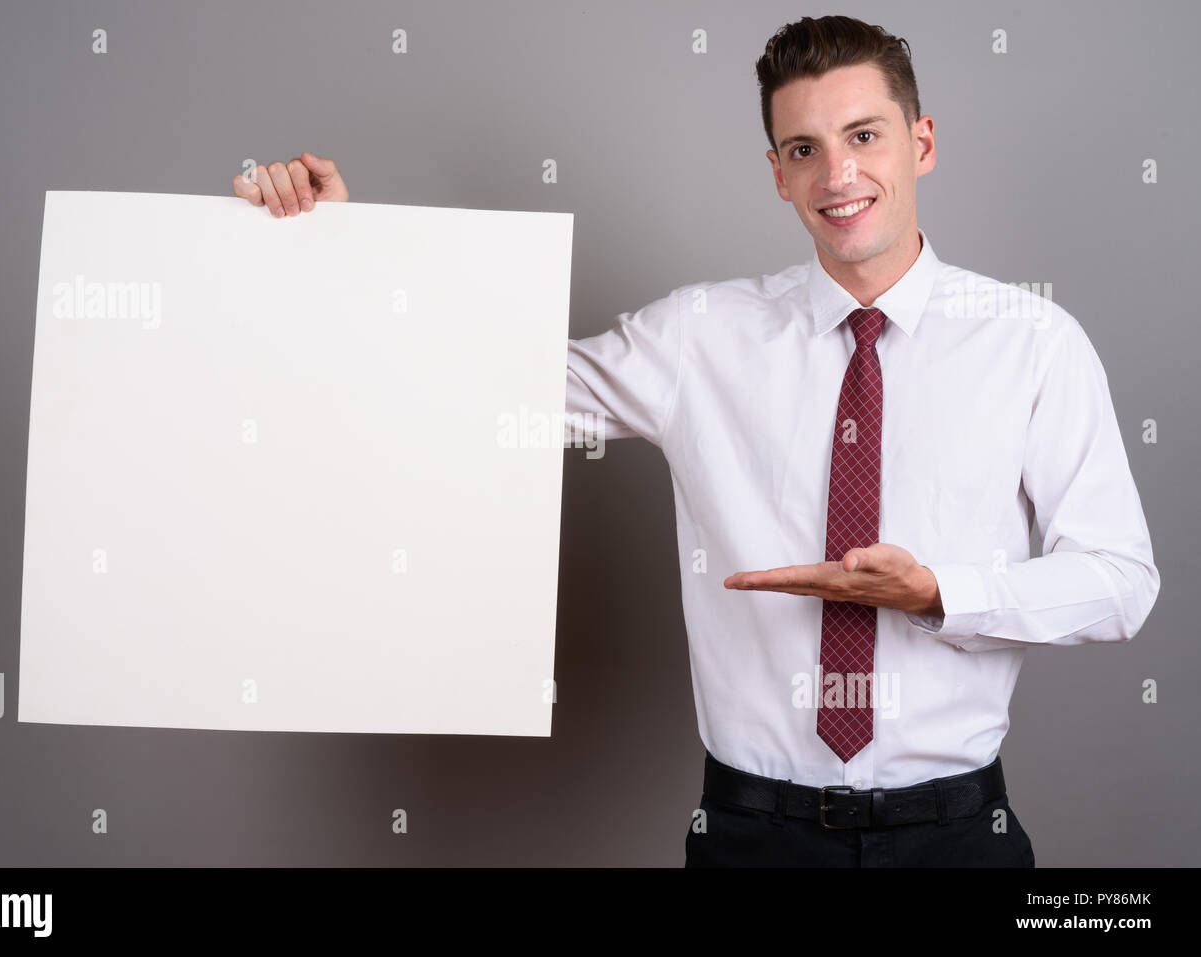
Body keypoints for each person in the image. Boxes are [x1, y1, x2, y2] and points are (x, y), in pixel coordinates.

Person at [230, 14, 1160, 867]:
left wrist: (937, 592)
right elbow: (485, 396)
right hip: (754, 834)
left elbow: (1121, 580)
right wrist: (343, 253)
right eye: (805, 148)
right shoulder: (698, 337)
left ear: (921, 142)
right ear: (777, 171)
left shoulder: (1033, 343)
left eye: (864, 136)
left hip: (957, 834)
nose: (838, 176)